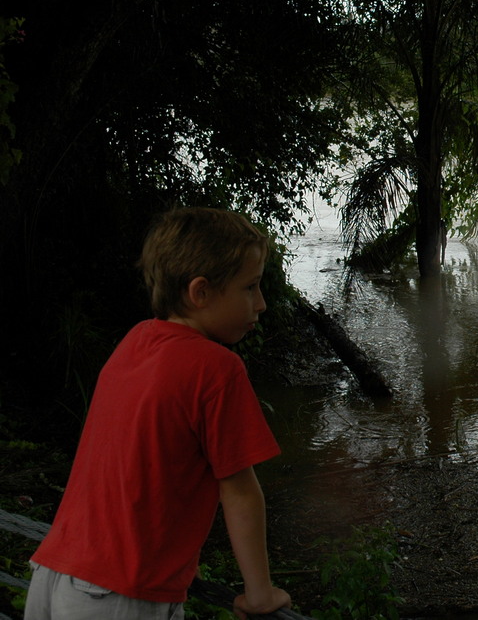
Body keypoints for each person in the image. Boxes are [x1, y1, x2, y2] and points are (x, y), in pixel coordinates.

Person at [25, 207, 292, 619]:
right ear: (200, 292)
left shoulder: (137, 340)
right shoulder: (216, 368)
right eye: (251, 287)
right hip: (119, 594)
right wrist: (259, 594)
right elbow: (239, 491)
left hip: (55, 572)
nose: (262, 303)